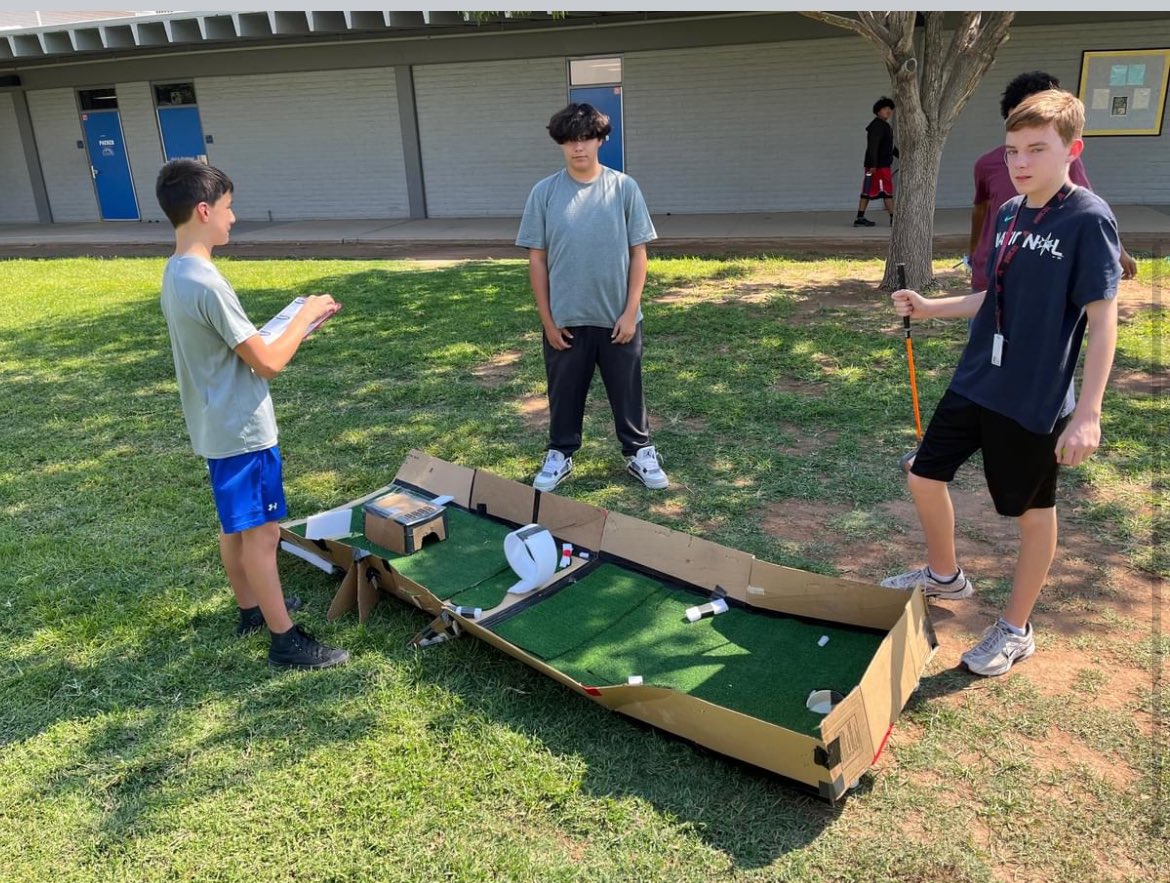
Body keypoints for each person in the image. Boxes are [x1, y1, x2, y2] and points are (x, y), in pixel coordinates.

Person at [881, 90, 1120, 677]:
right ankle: (945, 575)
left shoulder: (1089, 218)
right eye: (1014, 149)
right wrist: (930, 307)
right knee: (922, 472)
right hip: (976, 380)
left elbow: (1102, 317)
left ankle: (1017, 629)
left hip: (1033, 398)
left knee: (1032, 512)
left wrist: (1088, 413)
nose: (1020, 162)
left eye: (1037, 149)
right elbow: (998, 296)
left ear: (1072, 149)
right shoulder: (1010, 212)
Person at [156, 159, 349, 670]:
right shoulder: (207, 282)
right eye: (227, 207)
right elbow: (266, 363)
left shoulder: (177, 271)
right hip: (242, 430)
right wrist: (304, 315)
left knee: (235, 528)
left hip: (215, 425)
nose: (233, 218)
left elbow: (237, 348)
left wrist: (295, 327)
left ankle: (252, 611)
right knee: (262, 535)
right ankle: (285, 639)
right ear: (203, 210)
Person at [516, 102, 668, 492]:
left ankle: (639, 452)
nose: (578, 147)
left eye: (586, 138)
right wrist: (548, 320)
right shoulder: (545, 193)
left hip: (618, 318)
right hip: (566, 320)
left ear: (601, 139)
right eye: (569, 140)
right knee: (564, 393)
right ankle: (560, 454)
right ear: (560, 144)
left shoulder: (623, 188)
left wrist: (631, 311)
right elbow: (537, 258)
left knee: (628, 391)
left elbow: (639, 252)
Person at [967, 70, 1137, 290]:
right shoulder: (987, 167)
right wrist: (974, 252)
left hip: (1042, 279)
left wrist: (1118, 252)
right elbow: (981, 210)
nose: (1021, 163)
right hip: (989, 278)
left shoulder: (1066, 164)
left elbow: (1087, 207)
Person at [855, 96, 898, 227]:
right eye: (885, 108)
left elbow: (889, 147)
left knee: (867, 190)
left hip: (877, 166)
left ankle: (860, 218)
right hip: (878, 167)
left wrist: (901, 156)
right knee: (886, 191)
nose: (888, 111)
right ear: (878, 111)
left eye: (890, 109)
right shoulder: (878, 126)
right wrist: (873, 165)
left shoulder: (885, 126)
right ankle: (894, 219)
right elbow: (873, 146)